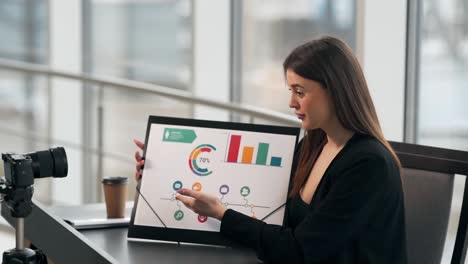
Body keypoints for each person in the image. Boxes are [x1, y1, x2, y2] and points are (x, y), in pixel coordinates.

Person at [134, 36, 407, 264]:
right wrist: (166, 169)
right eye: (291, 90)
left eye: (300, 92)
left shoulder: (368, 165)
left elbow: (299, 250)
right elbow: (274, 215)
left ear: (335, 91)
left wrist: (222, 214)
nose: (291, 102)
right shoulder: (314, 145)